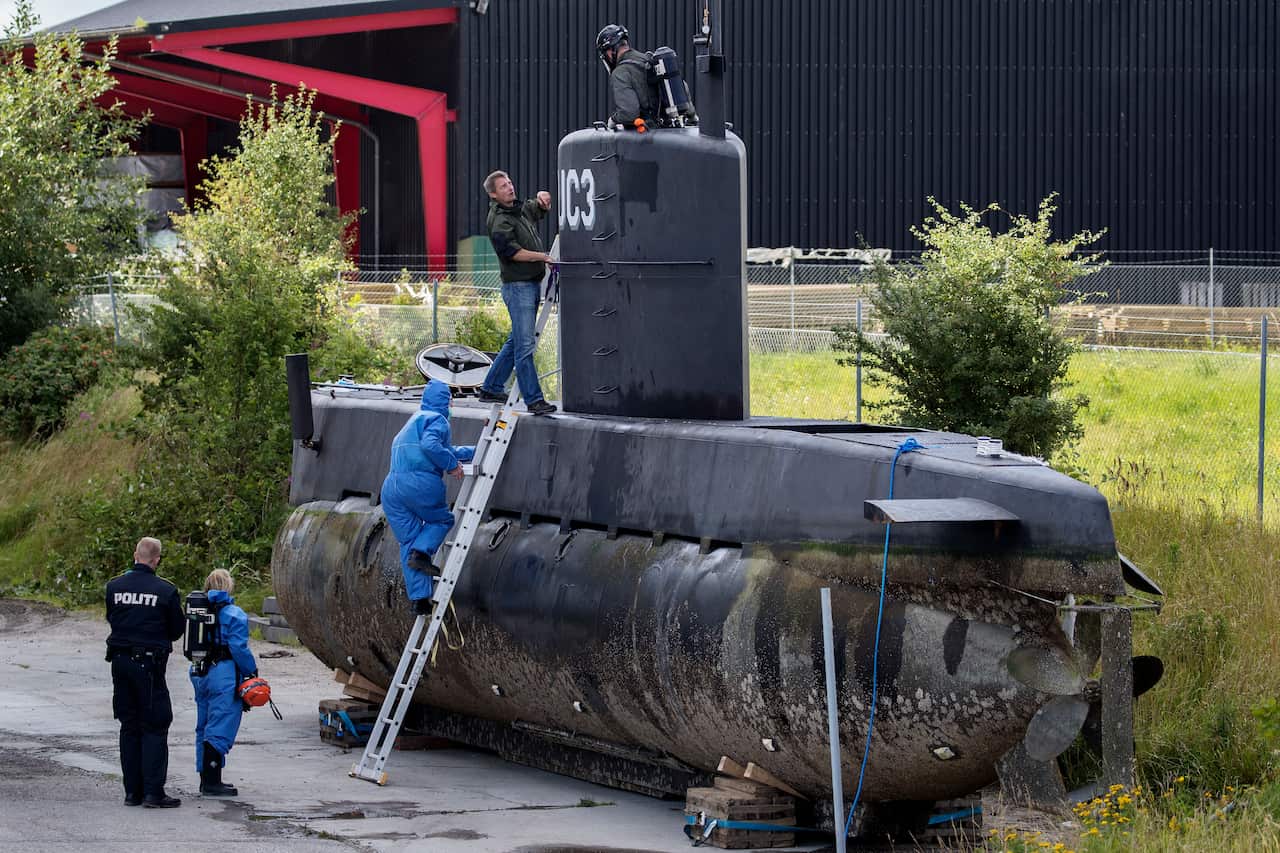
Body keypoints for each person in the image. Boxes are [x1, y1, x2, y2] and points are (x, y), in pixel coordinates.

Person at [382, 380, 477, 614]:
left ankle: (420, 600)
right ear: (444, 401)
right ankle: (423, 552)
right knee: (441, 521)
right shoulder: (438, 419)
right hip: (419, 482)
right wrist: (452, 465)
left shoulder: (414, 421)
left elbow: (442, 448)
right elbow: (431, 446)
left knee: (409, 541)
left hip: (392, 487)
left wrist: (475, 451)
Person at [105, 537, 185, 808]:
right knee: (155, 724)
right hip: (149, 667)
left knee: (129, 726)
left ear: (134, 555)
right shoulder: (165, 591)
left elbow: (112, 618)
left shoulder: (114, 587)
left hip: (120, 664)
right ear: (157, 560)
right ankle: (153, 792)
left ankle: (132, 792)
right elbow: (176, 630)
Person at [476, 170, 557, 416]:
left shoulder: (517, 209)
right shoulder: (499, 221)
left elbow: (536, 207)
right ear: (493, 194)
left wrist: (544, 198)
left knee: (515, 342)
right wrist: (543, 257)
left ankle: (490, 388)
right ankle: (534, 400)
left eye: (509, 183)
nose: (510, 188)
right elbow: (512, 253)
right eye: (503, 187)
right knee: (524, 345)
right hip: (518, 287)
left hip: (530, 284)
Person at [189, 568, 257, 798]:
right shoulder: (234, 614)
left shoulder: (197, 611)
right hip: (223, 674)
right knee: (221, 726)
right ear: (228, 587)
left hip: (199, 672)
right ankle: (212, 782)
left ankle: (205, 778)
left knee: (204, 725)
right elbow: (239, 648)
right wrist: (251, 671)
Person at [596, 24, 659, 129]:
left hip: (648, 137)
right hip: (667, 129)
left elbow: (629, 113)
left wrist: (613, 119)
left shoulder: (620, 72)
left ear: (611, 50)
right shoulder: (647, 60)